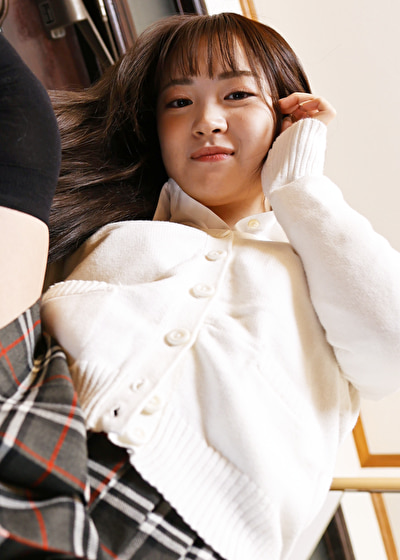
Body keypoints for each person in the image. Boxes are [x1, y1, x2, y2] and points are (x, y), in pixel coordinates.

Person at [1, 12, 400, 560]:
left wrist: (299, 182)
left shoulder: (324, 270)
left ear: (287, 115)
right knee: (22, 120)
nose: (207, 121)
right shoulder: (114, 235)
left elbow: (391, 343)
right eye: (179, 102)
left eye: (237, 95)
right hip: (31, 423)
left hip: (185, 526)